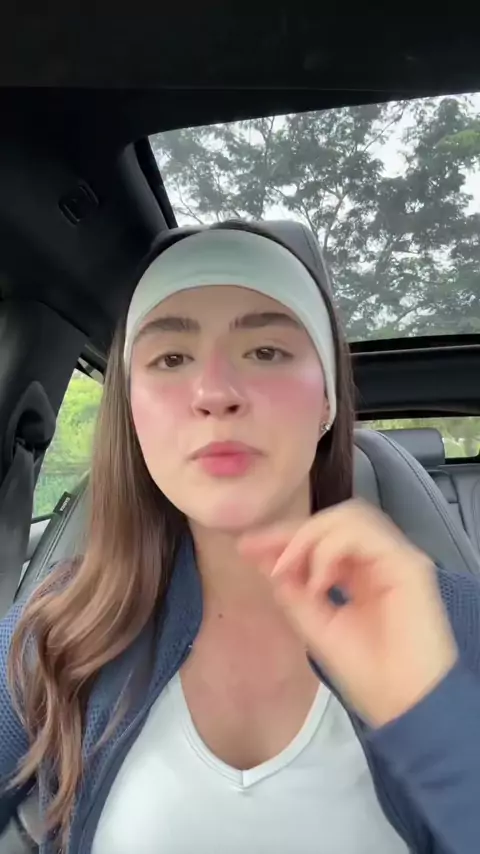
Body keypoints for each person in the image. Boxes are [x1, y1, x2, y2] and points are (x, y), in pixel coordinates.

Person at [1, 221, 480, 854]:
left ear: (328, 402)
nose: (215, 393)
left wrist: (435, 717)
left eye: (267, 352)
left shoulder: (461, 623)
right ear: (134, 414)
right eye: (171, 359)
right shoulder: (54, 630)